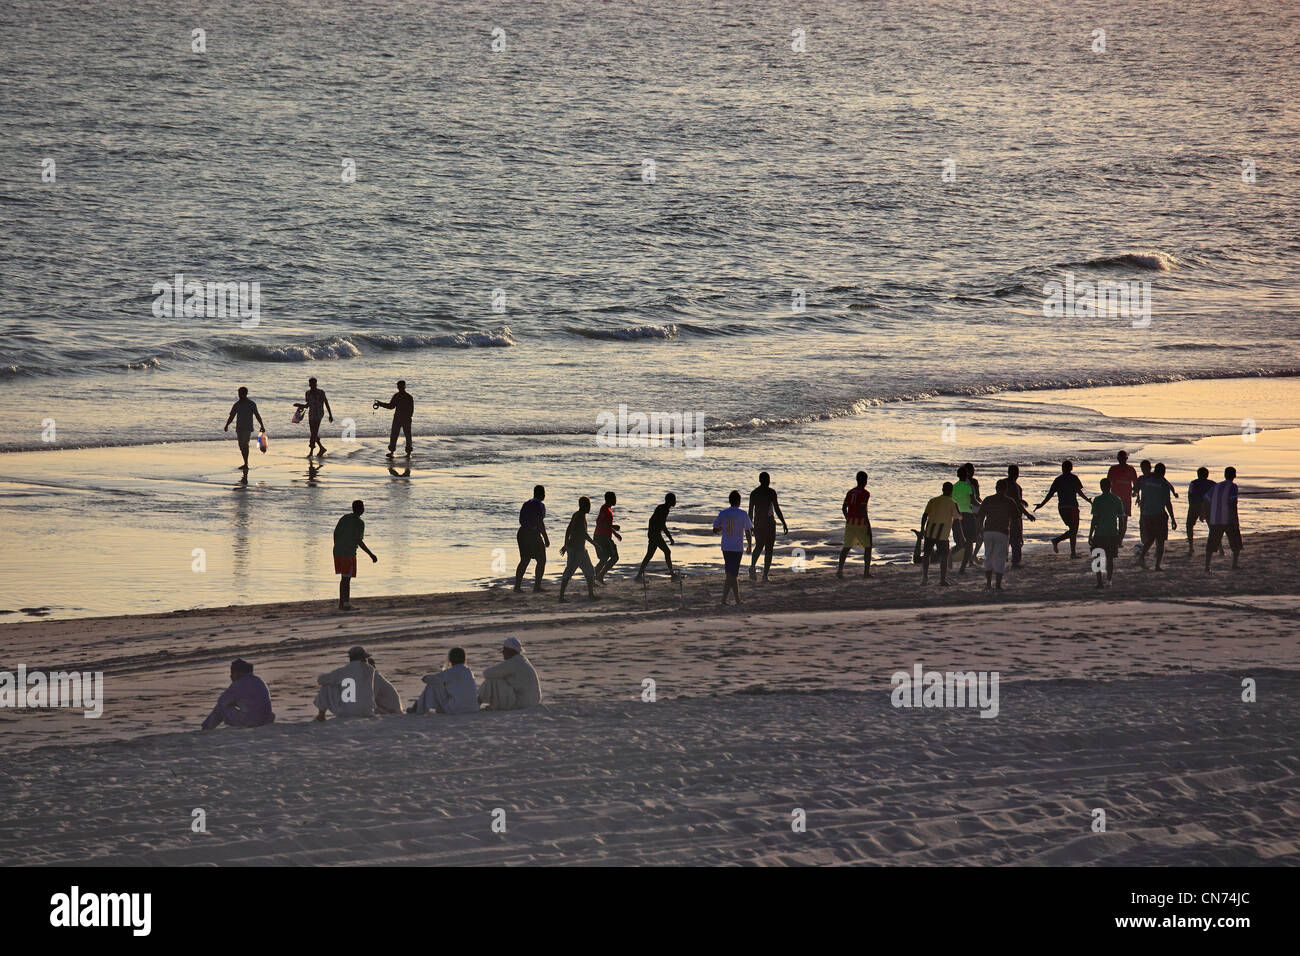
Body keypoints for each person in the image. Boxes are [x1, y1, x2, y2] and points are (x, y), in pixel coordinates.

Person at [1034, 460, 1091, 557]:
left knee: (1072, 529)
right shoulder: (1074, 478)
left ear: (1062, 468)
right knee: (1074, 530)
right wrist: (1087, 500)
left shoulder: (1058, 479)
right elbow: (1079, 492)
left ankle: (1071, 552)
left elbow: (1050, 494)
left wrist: (1041, 504)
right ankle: (1058, 541)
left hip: (1062, 508)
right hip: (1072, 507)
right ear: (1071, 468)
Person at [201, 659, 275, 730]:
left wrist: (233, 703)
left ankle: (206, 729)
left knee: (220, 708)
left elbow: (221, 701)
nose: (231, 676)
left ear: (240, 672)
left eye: (232, 672)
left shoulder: (239, 683)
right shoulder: (259, 680)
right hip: (266, 720)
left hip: (253, 722)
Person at [976, 479, 1020, 590]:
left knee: (988, 556)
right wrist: (1018, 534)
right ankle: (998, 585)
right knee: (1000, 558)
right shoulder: (1010, 501)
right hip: (1002, 531)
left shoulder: (988, 499)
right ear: (1006, 489)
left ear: (996, 488)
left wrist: (979, 530)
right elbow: (1016, 519)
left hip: (988, 531)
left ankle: (988, 584)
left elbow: (980, 516)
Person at [334, 499, 378, 611]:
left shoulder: (344, 518)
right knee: (346, 579)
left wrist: (339, 546)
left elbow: (335, 534)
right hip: (348, 553)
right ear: (361, 509)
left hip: (338, 551)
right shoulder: (359, 523)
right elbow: (359, 541)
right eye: (363, 507)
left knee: (344, 578)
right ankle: (345, 604)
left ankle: (342, 603)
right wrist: (371, 554)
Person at [477, 637, 542, 711]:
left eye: (504, 649)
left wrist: (502, 676)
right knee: (499, 679)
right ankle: (491, 705)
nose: (503, 652)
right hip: (532, 701)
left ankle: (476, 703)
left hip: (522, 703)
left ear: (511, 651)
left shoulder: (513, 662)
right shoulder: (522, 660)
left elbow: (487, 673)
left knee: (492, 681)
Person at [313, 646, 378, 720]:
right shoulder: (370, 669)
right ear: (363, 657)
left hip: (349, 712)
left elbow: (321, 680)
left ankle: (321, 715)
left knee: (327, 685)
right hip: (368, 711)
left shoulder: (345, 670)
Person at [713, 490, 754, 606]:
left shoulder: (723, 513)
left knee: (730, 574)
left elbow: (715, 530)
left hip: (726, 546)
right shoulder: (742, 514)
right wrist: (750, 545)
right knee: (732, 574)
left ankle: (733, 600)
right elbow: (748, 531)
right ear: (739, 501)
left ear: (730, 501)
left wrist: (722, 528)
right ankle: (729, 600)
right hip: (736, 547)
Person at [410, 647, 479, 715]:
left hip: (456, 709)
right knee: (439, 684)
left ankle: (419, 708)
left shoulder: (450, 672)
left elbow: (429, 679)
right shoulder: (468, 671)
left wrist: (425, 677)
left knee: (432, 684)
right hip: (473, 708)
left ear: (451, 659)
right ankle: (419, 706)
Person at [747, 472, 788, 581]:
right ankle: (764, 575)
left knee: (759, 545)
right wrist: (783, 522)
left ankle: (753, 567)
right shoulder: (771, 492)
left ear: (759, 480)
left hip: (758, 523)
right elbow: (777, 509)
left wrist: (750, 525)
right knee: (769, 548)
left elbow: (750, 512)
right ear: (767, 480)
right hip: (769, 523)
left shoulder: (754, 493)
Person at [1136, 462, 1177, 570]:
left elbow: (1138, 486)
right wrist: (1173, 518)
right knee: (1160, 540)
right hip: (1159, 514)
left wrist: (1136, 495)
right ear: (1163, 472)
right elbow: (1167, 503)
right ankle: (1157, 565)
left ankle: (1141, 557)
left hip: (1146, 514)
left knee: (1150, 538)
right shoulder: (1163, 484)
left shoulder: (1146, 481)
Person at [920, 482, 962, 586]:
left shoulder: (933, 500)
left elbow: (924, 515)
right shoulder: (952, 502)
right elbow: (958, 518)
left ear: (942, 489)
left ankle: (925, 577)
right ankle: (942, 580)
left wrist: (922, 529)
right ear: (952, 491)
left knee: (926, 555)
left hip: (930, 531)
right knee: (944, 556)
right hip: (943, 534)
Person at [558, 496, 599, 602]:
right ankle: (561, 597)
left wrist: (565, 544)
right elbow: (583, 534)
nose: (590, 507)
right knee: (569, 571)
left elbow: (568, 529)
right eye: (588, 505)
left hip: (581, 549)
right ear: (583, 506)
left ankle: (591, 595)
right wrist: (595, 544)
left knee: (590, 571)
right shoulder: (580, 516)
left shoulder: (577, 515)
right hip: (575, 549)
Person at [1087, 477, 1124, 589]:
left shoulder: (1097, 500)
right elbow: (1121, 520)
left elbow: (1095, 519)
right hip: (1112, 533)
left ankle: (1099, 582)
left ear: (1101, 487)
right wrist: (1120, 535)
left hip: (1100, 533)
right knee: (1110, 558)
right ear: (1110, 486)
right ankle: (1109, 580)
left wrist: (1090, 534)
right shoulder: (1117, 500)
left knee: (1097, 558)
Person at [1205, 466, 1242, 572]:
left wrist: (1206, 513)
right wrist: (1236, 520)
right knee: (1235, 542)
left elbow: (1206, 498)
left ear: (1225, 475)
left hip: (1216, 519)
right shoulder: (1233, 486)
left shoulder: (1216, 486)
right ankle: (1234, 564)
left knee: (1211, 543)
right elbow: (1233, 504)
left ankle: (1207, 566)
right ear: (1234, 475)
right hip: (1228, 519)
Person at [514, 485, 550, 592]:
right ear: (542, 494)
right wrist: (546, 538)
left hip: (522, 532)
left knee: (524, 560)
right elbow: (540, 522)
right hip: (533, 533)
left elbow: (520, 520)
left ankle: (517, 586)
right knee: (541, 560)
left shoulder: (526, 504)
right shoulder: (540, 505)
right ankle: (537, 586)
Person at [837, 471, 873, 578]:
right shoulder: (865, 493)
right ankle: (866, 573)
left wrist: (847, 518)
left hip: (850, 523)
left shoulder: (850, 492)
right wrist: (868, 525)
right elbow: (863, 510)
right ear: (865, 481)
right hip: (861, 523)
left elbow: (844, 508)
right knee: (868, 546)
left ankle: (839, 570)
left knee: (846, 547)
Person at [635, 493, 678, 581]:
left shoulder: (662, 508)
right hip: (655, 534)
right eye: (674, 500)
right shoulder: (664, 509)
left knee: (649, 555)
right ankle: (672, 574)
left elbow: (653, 521)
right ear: (670, 501)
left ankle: (639, 575)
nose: (675, 501)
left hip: (653, 533)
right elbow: (662, 525)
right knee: (667, 552)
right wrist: (670, 538)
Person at [223, 386, 266, 469]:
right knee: (241, 446)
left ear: (245, 394)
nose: (239, 395)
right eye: (239, 394)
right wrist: (227, 425)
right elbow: (232, 416)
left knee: (245, 445)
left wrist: (262, 425)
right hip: (239, 428)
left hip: (247, 428)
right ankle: (245, 463)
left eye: (241, 394)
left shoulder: (251, 404)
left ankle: (246, 464)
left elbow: (257, 415)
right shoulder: (237, 404)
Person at [294, 377, 334, 458]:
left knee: (314, 433)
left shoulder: (321, 392)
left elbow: (326, 403)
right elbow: (307, 406)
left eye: (314, 384)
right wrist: (298, 405)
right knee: (313, 433)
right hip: (311, 414)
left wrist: (330, 415)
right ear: (309, 384)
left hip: (319, 414)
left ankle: (311, 452)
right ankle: (322, 448)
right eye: (311, 384)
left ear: (316, 384)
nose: (313, 386)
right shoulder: (307, 393)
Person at [373, 380, 414, 458]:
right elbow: (391, 406)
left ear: (404, 386)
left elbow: (411, 409)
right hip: (401, 418)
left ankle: (406, 453)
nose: (400, 388)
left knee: (402, 435)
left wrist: (380, 404)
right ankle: (394, 452)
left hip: (402, 418)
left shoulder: (405, 396)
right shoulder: (404, 396)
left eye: (401, 386)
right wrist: (380, 404)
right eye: (399, 386)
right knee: (397, 435)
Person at [953, 465, 982, 572]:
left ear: (957, 475)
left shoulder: (953, 486)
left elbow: (952, 502)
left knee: (961, 543)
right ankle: (964, 566)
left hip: (957, 516)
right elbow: (973, 501)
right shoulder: (969, 487)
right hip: (968, 515)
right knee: (970, 542)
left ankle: (950, 560)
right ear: (967, 475)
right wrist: (983, 506)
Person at [1106, 451, 1140, 541]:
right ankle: (1114, 538)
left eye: (1124, 458)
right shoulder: (1113, 469)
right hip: (1114, 499)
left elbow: (1136, 484)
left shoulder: (1131, 469)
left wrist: (1137, 495)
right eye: (1120, 458)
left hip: (1126, 499)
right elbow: (1107, 484)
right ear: (1118, 459)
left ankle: (1119, 540)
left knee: (1124, 521)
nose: (1122, 460)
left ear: (1126, 459)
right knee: (1112, 520)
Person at [1005, 465, 1034, 566]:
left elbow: (1008, 498)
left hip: (1003, 515)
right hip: (1014, 515)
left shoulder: (1003, 483)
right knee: (1016, 539)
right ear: (1017, 474)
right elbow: (1016, 502)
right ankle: (1015, 562)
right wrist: (1028, 514)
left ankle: (1003, 559)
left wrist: (1021, 500)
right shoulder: (1015, 486)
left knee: (1005, 538)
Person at [592, 492, 622, 584]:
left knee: (606, 558)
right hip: (601, 536)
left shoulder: (608, 509)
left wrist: (615, 533)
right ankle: (596, 577)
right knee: (611, 557)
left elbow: (606, 524)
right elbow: (599, 522)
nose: (615, 500)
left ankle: (597, 577)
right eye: (614, 498)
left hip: (605, 536)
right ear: (609, 499)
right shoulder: (604, 509)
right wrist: (613, 526)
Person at [1186, 466, 1215, 554]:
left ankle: (1191, 547)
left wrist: (1191, 506)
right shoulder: (1213, 484)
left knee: (1189, 525)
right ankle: (1219, 548)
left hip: (1195, 505)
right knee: (1213, 528)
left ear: (1198, 475)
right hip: (1208, 507)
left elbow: (1190, 495)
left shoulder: (1193, 483)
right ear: (1207, 475)